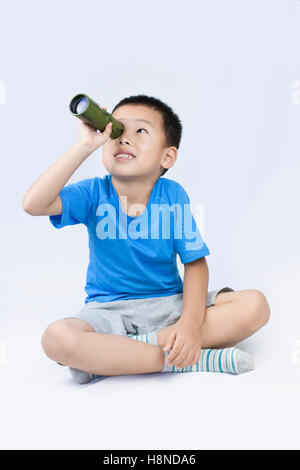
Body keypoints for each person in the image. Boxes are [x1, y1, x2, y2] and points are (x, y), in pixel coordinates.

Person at [22, 94, 270, 384]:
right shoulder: (93, 193)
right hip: (109, 311)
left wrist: (189, 326)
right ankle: (185, 360)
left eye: (140, 131)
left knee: (255, 305)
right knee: (56, 338)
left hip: (169, 307)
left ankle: (113, 358)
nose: (124, 139)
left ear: (167, 157)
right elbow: (33, 204)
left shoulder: (173, 195)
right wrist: (84, 146)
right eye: (117, 130)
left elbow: (195, 265)